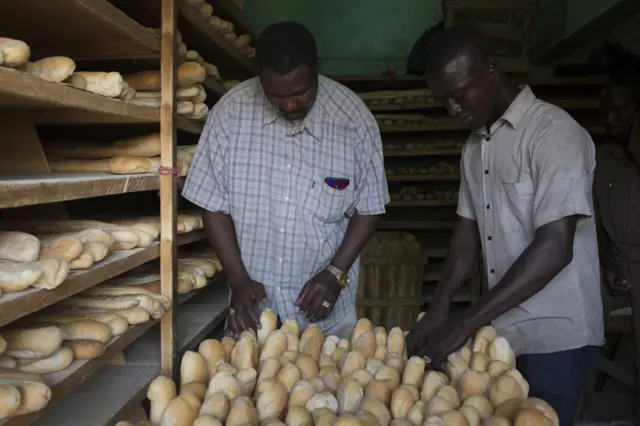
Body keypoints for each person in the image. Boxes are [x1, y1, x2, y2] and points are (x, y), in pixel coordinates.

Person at [405, 26, 604, 425]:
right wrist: (440, 309)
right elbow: (466, 235)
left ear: (490, 69)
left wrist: (466, 320)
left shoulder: (554, 134)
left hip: (556, 336)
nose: (452, 110)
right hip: (502, 335)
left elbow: (554, 247)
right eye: (442, 100)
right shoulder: (475, 147)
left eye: (459, 95)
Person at [181, 21, 389, 340]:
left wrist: (335, 274)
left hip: (327, 319)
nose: (290, 105)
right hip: (251, 314)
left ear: (317, 69)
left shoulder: (353, 120)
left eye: (301, 94)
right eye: (276, 96)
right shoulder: (230, 114)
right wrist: (238, 281)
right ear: (260, 79)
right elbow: (212, 204)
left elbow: (370, 207)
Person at [594, 68, 640, 314]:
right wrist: (609, 264)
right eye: (606, 112)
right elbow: (595, 224)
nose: (610, 120)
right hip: (618, 269)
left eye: (620, 111)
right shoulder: (601, 159)